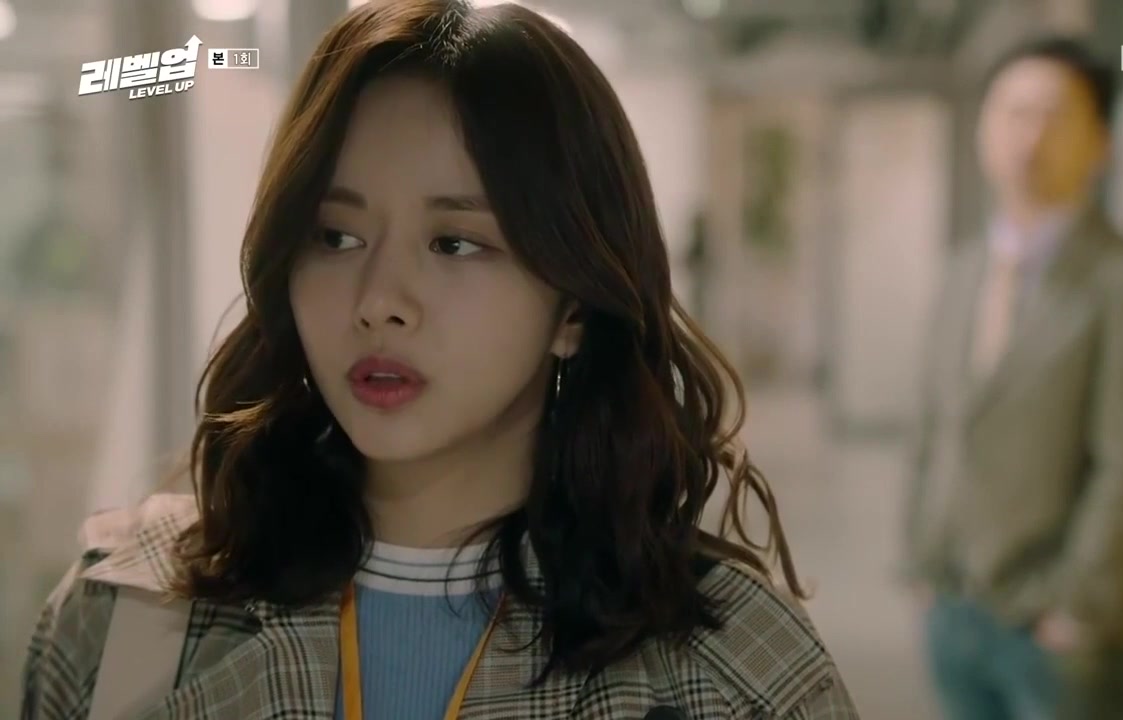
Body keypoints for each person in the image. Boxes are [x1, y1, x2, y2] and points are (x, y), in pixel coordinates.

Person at [21, 2, 858, 719]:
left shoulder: (731, 675)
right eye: (335, 236)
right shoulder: (122, 618)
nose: (379, 299)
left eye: (455, 243)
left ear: (572, 309)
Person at [902, 36, 1123, 720]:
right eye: (1013, 112)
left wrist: (1078, 609)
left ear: (1102, 143)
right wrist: (922, 562)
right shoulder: (962, 272)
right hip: (953, 608)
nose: (1029, 135)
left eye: (1055, 115)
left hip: (1055, 631)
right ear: (982, 128)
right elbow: (932, 427)